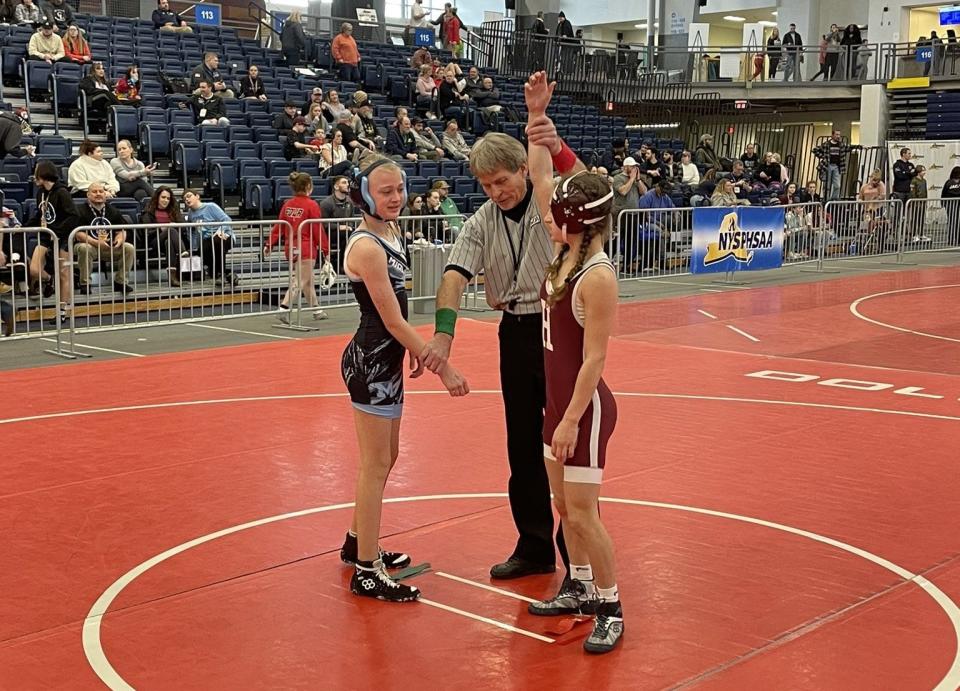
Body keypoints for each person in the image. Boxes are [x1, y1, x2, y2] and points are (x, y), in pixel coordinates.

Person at [421, 131, 571, 582]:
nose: (495, 193)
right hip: (515, 332)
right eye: (486, 186)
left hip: (557, 329)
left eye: (502, 181)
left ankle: (578, 559)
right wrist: (444, 335)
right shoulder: (482, 220)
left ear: (524, 170)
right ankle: (534, 547)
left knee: (564, 446)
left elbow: (571, 178)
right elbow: (453, 274)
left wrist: (542, 128)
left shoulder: (550, 206)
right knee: (521, 445)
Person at [520, 71, 623, 654]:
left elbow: (595, 358)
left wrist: (568, 420)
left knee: (583, 514)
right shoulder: (567, 248)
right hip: (558, 404)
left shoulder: (596, 276)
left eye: (558, 216)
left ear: (581, 225)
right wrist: (536, 117)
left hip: (581, 408)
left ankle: (610, 604)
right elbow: (540, 176)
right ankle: (579, 586)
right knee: (564, 505)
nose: (548, 219)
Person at [338, 155, 468, 602]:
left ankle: (360, 541)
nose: (396, 198)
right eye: (385, 191)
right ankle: (366, 570)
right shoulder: (367, 247)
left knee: (387, 458)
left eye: (399, 189)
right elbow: (391, 320)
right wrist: (440, 364)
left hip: (384, 361)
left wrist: (410, 352)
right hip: (371, 363)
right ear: (365, 195)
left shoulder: (389, 233)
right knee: (375, 465)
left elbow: (398, 314)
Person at [265, 172, 329, 322]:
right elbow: (317, 229)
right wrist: (326, 249)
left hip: (290, 247)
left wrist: (270, 243)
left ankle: (317, 309)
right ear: (308, 186)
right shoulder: (311, 205)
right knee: (300, 280)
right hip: (306, 248)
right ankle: (284, 307)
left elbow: (279, 226)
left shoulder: (288, 204)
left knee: (307, 280)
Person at [183, 190, 236, 287]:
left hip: (224, 235)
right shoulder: (190, 214)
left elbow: (227, 220)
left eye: (189, 196)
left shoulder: (211, 206)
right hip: (207, 240)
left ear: (197, 196)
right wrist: (194, 247)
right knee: (203, 253)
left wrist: (220, 231)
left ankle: (222, 275)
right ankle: (228, 275)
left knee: (217, 241)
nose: (186, 199)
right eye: (184, 198)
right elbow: (193, 232)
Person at [141, 185, 191, 287]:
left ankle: (172, 278)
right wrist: (161, 228)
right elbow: (147, 232)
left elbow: (184, 227)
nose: (166, 200)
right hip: (155, 241)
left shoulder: (173, 211)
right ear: (157, 198)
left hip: (170, 241)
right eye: (163, 197)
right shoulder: (148, 211)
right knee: (170, 229)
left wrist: (174, 225)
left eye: (168, 198)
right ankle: (183, 252)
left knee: (169, 242)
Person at [942, 166, 960, 246]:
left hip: (951, 204)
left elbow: (943, 193)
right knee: (953, 222)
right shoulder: (949, 182)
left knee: (954, 222)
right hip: (951, 204)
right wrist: (944, 203)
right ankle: (952, 239)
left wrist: (943, 203)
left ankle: (953, 239)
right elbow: (944, 193)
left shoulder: (948, 182)